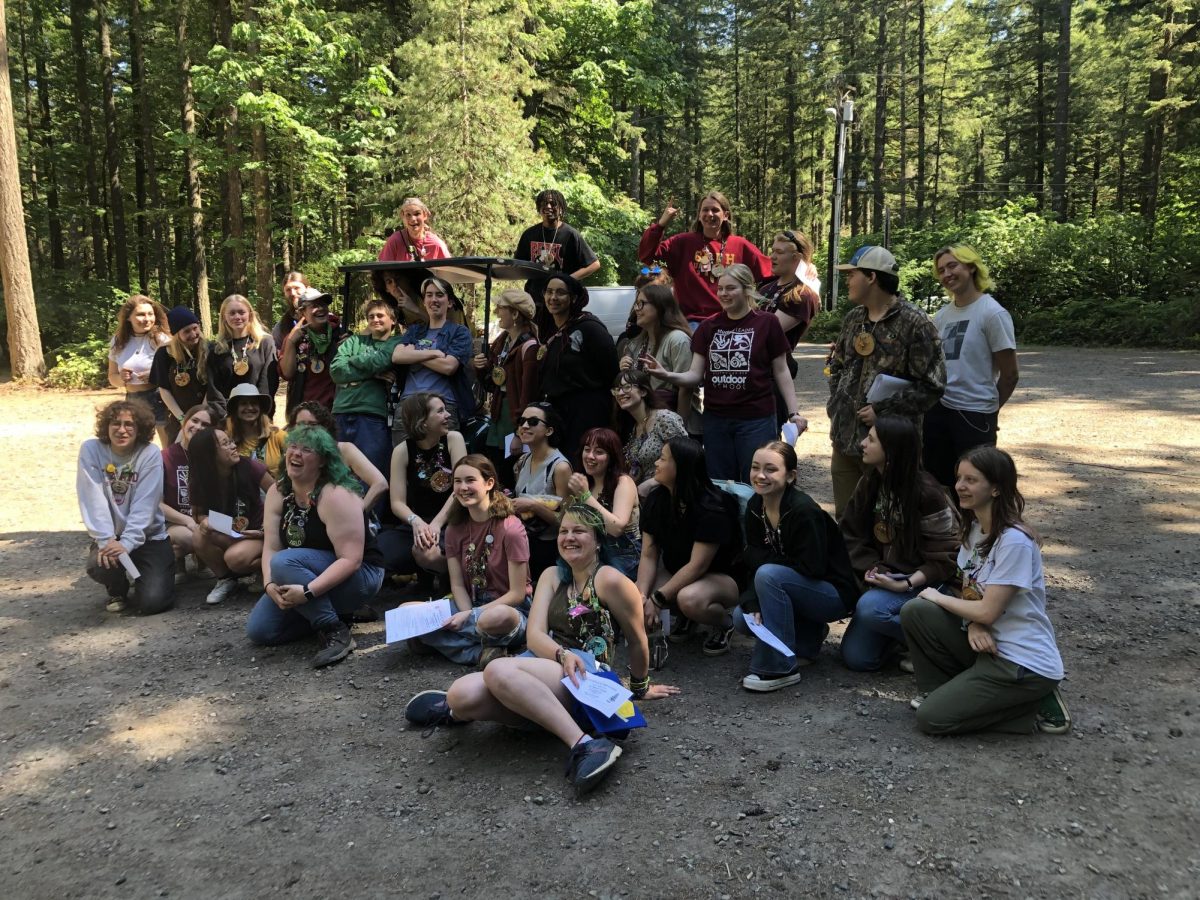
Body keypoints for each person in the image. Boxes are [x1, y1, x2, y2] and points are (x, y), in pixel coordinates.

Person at [403, 502, 680, 794]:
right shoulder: (552, 575)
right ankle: (457, 712)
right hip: (547, 660)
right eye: (563, 531)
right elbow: (534, 635)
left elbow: (638, 638)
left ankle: (587, 745)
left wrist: (640, 687)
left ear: (598, 540)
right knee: (461, 694)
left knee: (497, 669)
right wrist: (561, 654)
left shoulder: (610, 579)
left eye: (579, 531)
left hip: (587, 676)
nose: (568, 537)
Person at [902, 447, 1070, 735]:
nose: (960, 487)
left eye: (971, 480)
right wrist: (973, 623)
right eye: (958, 478)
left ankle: (1029, 706)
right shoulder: (975, 528)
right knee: (916, 611)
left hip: (1019, 660)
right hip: (991, 642)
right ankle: (947, 691)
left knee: (932, 719)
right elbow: (974, 596)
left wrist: (940, 596)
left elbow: (989, 610)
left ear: (995, 488)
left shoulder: (1014, 541)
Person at [643, 264, 807, 482]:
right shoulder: (708, 327)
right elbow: (694, 375)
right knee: (719, 483)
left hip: (756, 419)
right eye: (720, 289)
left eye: (731, 288)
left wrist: (794, 413)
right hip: (716, 420)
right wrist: (666, 375)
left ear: (747, 290)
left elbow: (781, 371)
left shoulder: (767, 323)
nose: (723, 294)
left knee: (757, 481)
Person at [246, 425, 385, 667]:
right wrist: (269, 585)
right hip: (309, 573)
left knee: (284, 562)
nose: (296, 453)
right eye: (293, 447)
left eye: (307, 450)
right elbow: (271, 546)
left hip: (360, 575)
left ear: (322, 461)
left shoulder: (336, 494)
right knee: (261, 631)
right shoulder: (278, 492)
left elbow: (351, 560)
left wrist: (307, 592)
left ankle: (334, 629)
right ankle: (337, 612)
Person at [827, 245, 946, 518]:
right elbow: (838, 366)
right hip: (845, 442)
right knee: (848, 520)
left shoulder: (916, 323)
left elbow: (932, 386)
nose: (847, 280)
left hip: (890, 448)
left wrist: (883, 411)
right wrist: (838, 404)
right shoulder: (854, 319)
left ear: (871, 276)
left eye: (852, 274)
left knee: (889, 519)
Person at [733, 441, 858, 692]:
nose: (760, 475)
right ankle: (807, 638)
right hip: (792, 587)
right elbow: (751, 560)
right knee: (742, 618)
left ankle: (780, 667)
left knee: (769, 574)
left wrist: (763, 566)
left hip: (831, 594)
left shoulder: (804, 511)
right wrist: (752, 600)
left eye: (771, 469)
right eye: (755, 467)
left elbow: (811, 568)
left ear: (791, 476)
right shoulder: (756, 506)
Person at [839, 417, 960, 673]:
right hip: (885, 579)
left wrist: (905, 583)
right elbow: (850, 533)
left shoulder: (927, 493)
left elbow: (946, 557)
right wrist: (873, 567)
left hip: (922, 582)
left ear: (891, 450)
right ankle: (906, 642)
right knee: (858, 659)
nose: (862, 444)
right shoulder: (870, 482)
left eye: (871, 440)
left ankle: (944, 645)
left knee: (870, 610)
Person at [407, 455, 531, 666]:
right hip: (468, 604)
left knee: (495, 618)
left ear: (489, 483)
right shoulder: (455, 528)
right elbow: (457, 584)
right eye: (457, 481)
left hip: (508, 610)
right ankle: (481, 653)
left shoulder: (511, 528)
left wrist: (470, 616)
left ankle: (439, 640)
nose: (463, 487)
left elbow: (517, 594)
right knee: (407, 612)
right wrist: (465, 612)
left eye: (470, 480)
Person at [923, 245, 1019, 490]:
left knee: (977, 485)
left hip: (975, 415)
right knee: (939, 482)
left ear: (971, 266)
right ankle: (948, 529)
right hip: (939, 411)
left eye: (952, 265)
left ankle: (979, 529)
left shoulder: (992, 313)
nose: (947, 274)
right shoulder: (942, 316)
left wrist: (989, 410)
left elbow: (1010, 375)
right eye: (941, 270)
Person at [637, 437, 743, 656]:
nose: (656, 463)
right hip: (677, 570)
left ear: (681, 467)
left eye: (663, 459)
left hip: (720, 578)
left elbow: (697, 566)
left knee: (688, 599)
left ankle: (725, 622)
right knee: (637, 591)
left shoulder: (713, 506)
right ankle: (687, 617)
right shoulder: (657, 500)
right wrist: (641, 597)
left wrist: (658, 598)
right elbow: (648, 555)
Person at [77, 400, 176, 615]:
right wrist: (106, 541)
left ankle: (149, 577)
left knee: (153, 603)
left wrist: (129, 542)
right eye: (116, 423)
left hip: (149, 538)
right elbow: (92, 499)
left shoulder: (149, 453)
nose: (122, 430)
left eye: (129, 424)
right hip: (113, 537)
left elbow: (146, 504)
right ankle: (117, 588)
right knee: (99, 564)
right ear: (106, 426)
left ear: (139, 428)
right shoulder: (91, 450)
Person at [638, 191, 770, 323]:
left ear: (725, 215)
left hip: (732, 320)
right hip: (693, 321)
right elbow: (647, 255)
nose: (709, 214)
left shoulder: (740, 245)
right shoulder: (683, 242)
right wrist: (660, 225)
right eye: (705, 210)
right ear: (699, 216)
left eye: (715, 210)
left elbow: (769, 271)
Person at [378, 392, 467, 579]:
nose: (448, 415)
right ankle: (418, 576)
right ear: (423, 421)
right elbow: (397, 502)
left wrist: (436, 524)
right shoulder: (402, 451)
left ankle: (453, 580)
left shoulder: (454, 439)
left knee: (428, 554)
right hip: (418, 523)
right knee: (375, 552)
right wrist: (416, 522)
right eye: (440, 411)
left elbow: (461, 489)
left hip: (451, 520)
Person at [187, 426, 274, 605]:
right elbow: (199, 515)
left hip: (258, 532)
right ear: (209, 454)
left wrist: (267, 529)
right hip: (229, 528)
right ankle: (226, 579)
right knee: (198, 535)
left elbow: (279, 494)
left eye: (231, 441)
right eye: (226, 444)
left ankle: (265, 570)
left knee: (235, 558)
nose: (234, 446)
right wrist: (207, 522)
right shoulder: (199, 478)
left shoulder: (249, 466)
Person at [537, 274, 618, 460]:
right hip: (559, 413)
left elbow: (611, 373)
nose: (553, 298)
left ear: (573, 298)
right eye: (549, 292)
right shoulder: (553, 331)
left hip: (586, 412)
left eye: (560, 292)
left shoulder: (590, 328)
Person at [390, 276, 475, 443]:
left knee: (442, 464)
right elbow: (397, 356)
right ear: (424, 301)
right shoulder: (415, 330)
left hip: (443, 406)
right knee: (404, 459)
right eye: (429, 295)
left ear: (449, 302)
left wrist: (415, 353)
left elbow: (448, 366)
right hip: (409, 404)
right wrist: (434, 353)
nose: (433, 299)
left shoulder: (459, 332)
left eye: (439, 295)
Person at [330, 297, 405, 482]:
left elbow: (381, 361)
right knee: (339, 474)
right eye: (371, 316)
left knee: (371, 474)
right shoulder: (354, 340)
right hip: (341, 411)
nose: (375, 320)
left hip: (372, 415)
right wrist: (372, 374)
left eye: (380, 315)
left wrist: (353, 360)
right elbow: (336, 371)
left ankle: (370, 512)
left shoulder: (396, 342)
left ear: (393, 320)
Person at [265, 403, 389, 514]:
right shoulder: (292, 452)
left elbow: (380, 484)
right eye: (301, 425)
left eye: (313, 424)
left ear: (325, 427)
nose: (306, 429)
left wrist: (357, 515)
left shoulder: (344, 449)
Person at [758, 230, 822, 425]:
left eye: (779, 252)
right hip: (750, 370)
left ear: (796, 257)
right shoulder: (766, 286)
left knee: (766, 439)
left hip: (771, 374)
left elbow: (765, 332)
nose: (772, 256)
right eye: (772, 251)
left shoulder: (802, 295)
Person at [473, 289, 540, 467]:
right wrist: (481, 369)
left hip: (515, 422)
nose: (496, 312)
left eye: (500, 307)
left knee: (510, 473)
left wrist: (520, 434)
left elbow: (529, 397)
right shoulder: (502, 343)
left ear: (515, 313)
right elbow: (491, 385)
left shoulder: (530, 348)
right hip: (499, 416)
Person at [568, 427, 641, 580]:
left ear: (611, 457)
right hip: (594, 554)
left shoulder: (623, 482)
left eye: (599, 452)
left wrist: (585, 496)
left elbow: (617, 528)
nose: (590, 456)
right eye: (587, 450)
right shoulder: (588, 483)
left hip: (624, 557)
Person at [511, 403, 572, 580]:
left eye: (533, 421)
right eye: (522, 421)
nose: (524, 426)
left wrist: (533, 505)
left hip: (549, 549)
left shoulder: (560, 467)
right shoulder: (523, 460)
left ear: (549, 431)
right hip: (524, 542)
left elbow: (566, 520)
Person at [513, 188, 600, 307]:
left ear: (561, 209)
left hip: (561, 302)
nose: (548, 207)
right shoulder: (529, 234)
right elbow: (519, 264)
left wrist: (568, 280)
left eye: (553, 204)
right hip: (535, 301)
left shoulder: (570, 234)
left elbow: (594, 264)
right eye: (544, 203)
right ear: (539, 208)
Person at [617, 283, 694, 415]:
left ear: (660, 306)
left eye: (641, 303)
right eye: (636, 304)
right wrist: (625, 371)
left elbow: (686, 389)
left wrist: (680, 427)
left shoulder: (677, 339)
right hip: (647, 421)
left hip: (672, 421)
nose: (636, 309)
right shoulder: (637, 342)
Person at [107, 294, 171, 445]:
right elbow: (112, 377)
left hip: (159, 397)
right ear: (128, 317)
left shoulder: (162, 339)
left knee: (167, 445)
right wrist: (121, 378)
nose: (147, 319)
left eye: (150, 314)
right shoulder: (118, 341)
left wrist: (155, 375)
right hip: (132, 399)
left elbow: (176, 374)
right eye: (141, 314)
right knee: (135, 445)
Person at [160, 403, 215, 570]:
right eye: (195, 421)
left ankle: (182, 560)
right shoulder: (164, 457)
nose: (198, 427)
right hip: (174, 522)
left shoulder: (214, 458)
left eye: (205, 425)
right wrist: (188, 521)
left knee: (228, 532)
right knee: (192, 538)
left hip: (206, 520)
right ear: (185, 422)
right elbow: (156, 503)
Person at [612, 369, 687, 488]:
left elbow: (685, 458)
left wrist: (652, 483)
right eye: (617, 389)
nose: (620, 393)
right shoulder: (635, 427)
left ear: (643, 392)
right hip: (644, 496)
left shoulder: (664, 418)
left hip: (667, 492)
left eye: (626, 387)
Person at [207, 294, 276, 418]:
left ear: (250, 314)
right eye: (232, 313)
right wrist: (226, 417)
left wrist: (259, 412)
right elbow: (214, 389)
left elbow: (268, 381)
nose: (237, 317)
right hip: (229, 417)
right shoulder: (216, 350)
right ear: (224, 317)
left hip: (259, 413)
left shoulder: (265, 343)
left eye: (241, 312)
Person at [280, 287, 346, 417]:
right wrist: (291, 343)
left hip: (336, 411)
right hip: (304, 414)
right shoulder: (294, 338)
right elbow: (287, 373)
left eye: (323, 304)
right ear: (302, 312)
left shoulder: (340, 335)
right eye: (314, 306)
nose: (321, 308)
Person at [150, 305, 211, 445]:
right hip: (177, 415)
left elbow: (212, 386)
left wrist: (199, 417)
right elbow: (164, 389)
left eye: (195, 328)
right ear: (176, 334)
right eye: (187, 331)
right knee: (178, 457)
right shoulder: (164, 354)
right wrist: (183, 419)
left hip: (206, 413)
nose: (193, 334)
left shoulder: (209, 349)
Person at [378, 196, 452, 262]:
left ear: (425, 215)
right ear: (402, 216)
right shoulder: (395, 241)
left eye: (417, 214)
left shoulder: (436, 244)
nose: (413, 219)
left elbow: (449, 271)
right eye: (408, 215)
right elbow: (382, 271)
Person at [224, 383, 277, 462]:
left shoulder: (276, 435)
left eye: (254, 403)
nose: (249, 407)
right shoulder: (226, 440)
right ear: (235, 409)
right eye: (243, 403)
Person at [271, 271, 310, 351]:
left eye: (296, 288)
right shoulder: (281, 328)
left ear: (307, 288)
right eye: (288, 290)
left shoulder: (323, 317)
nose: (292, 293)